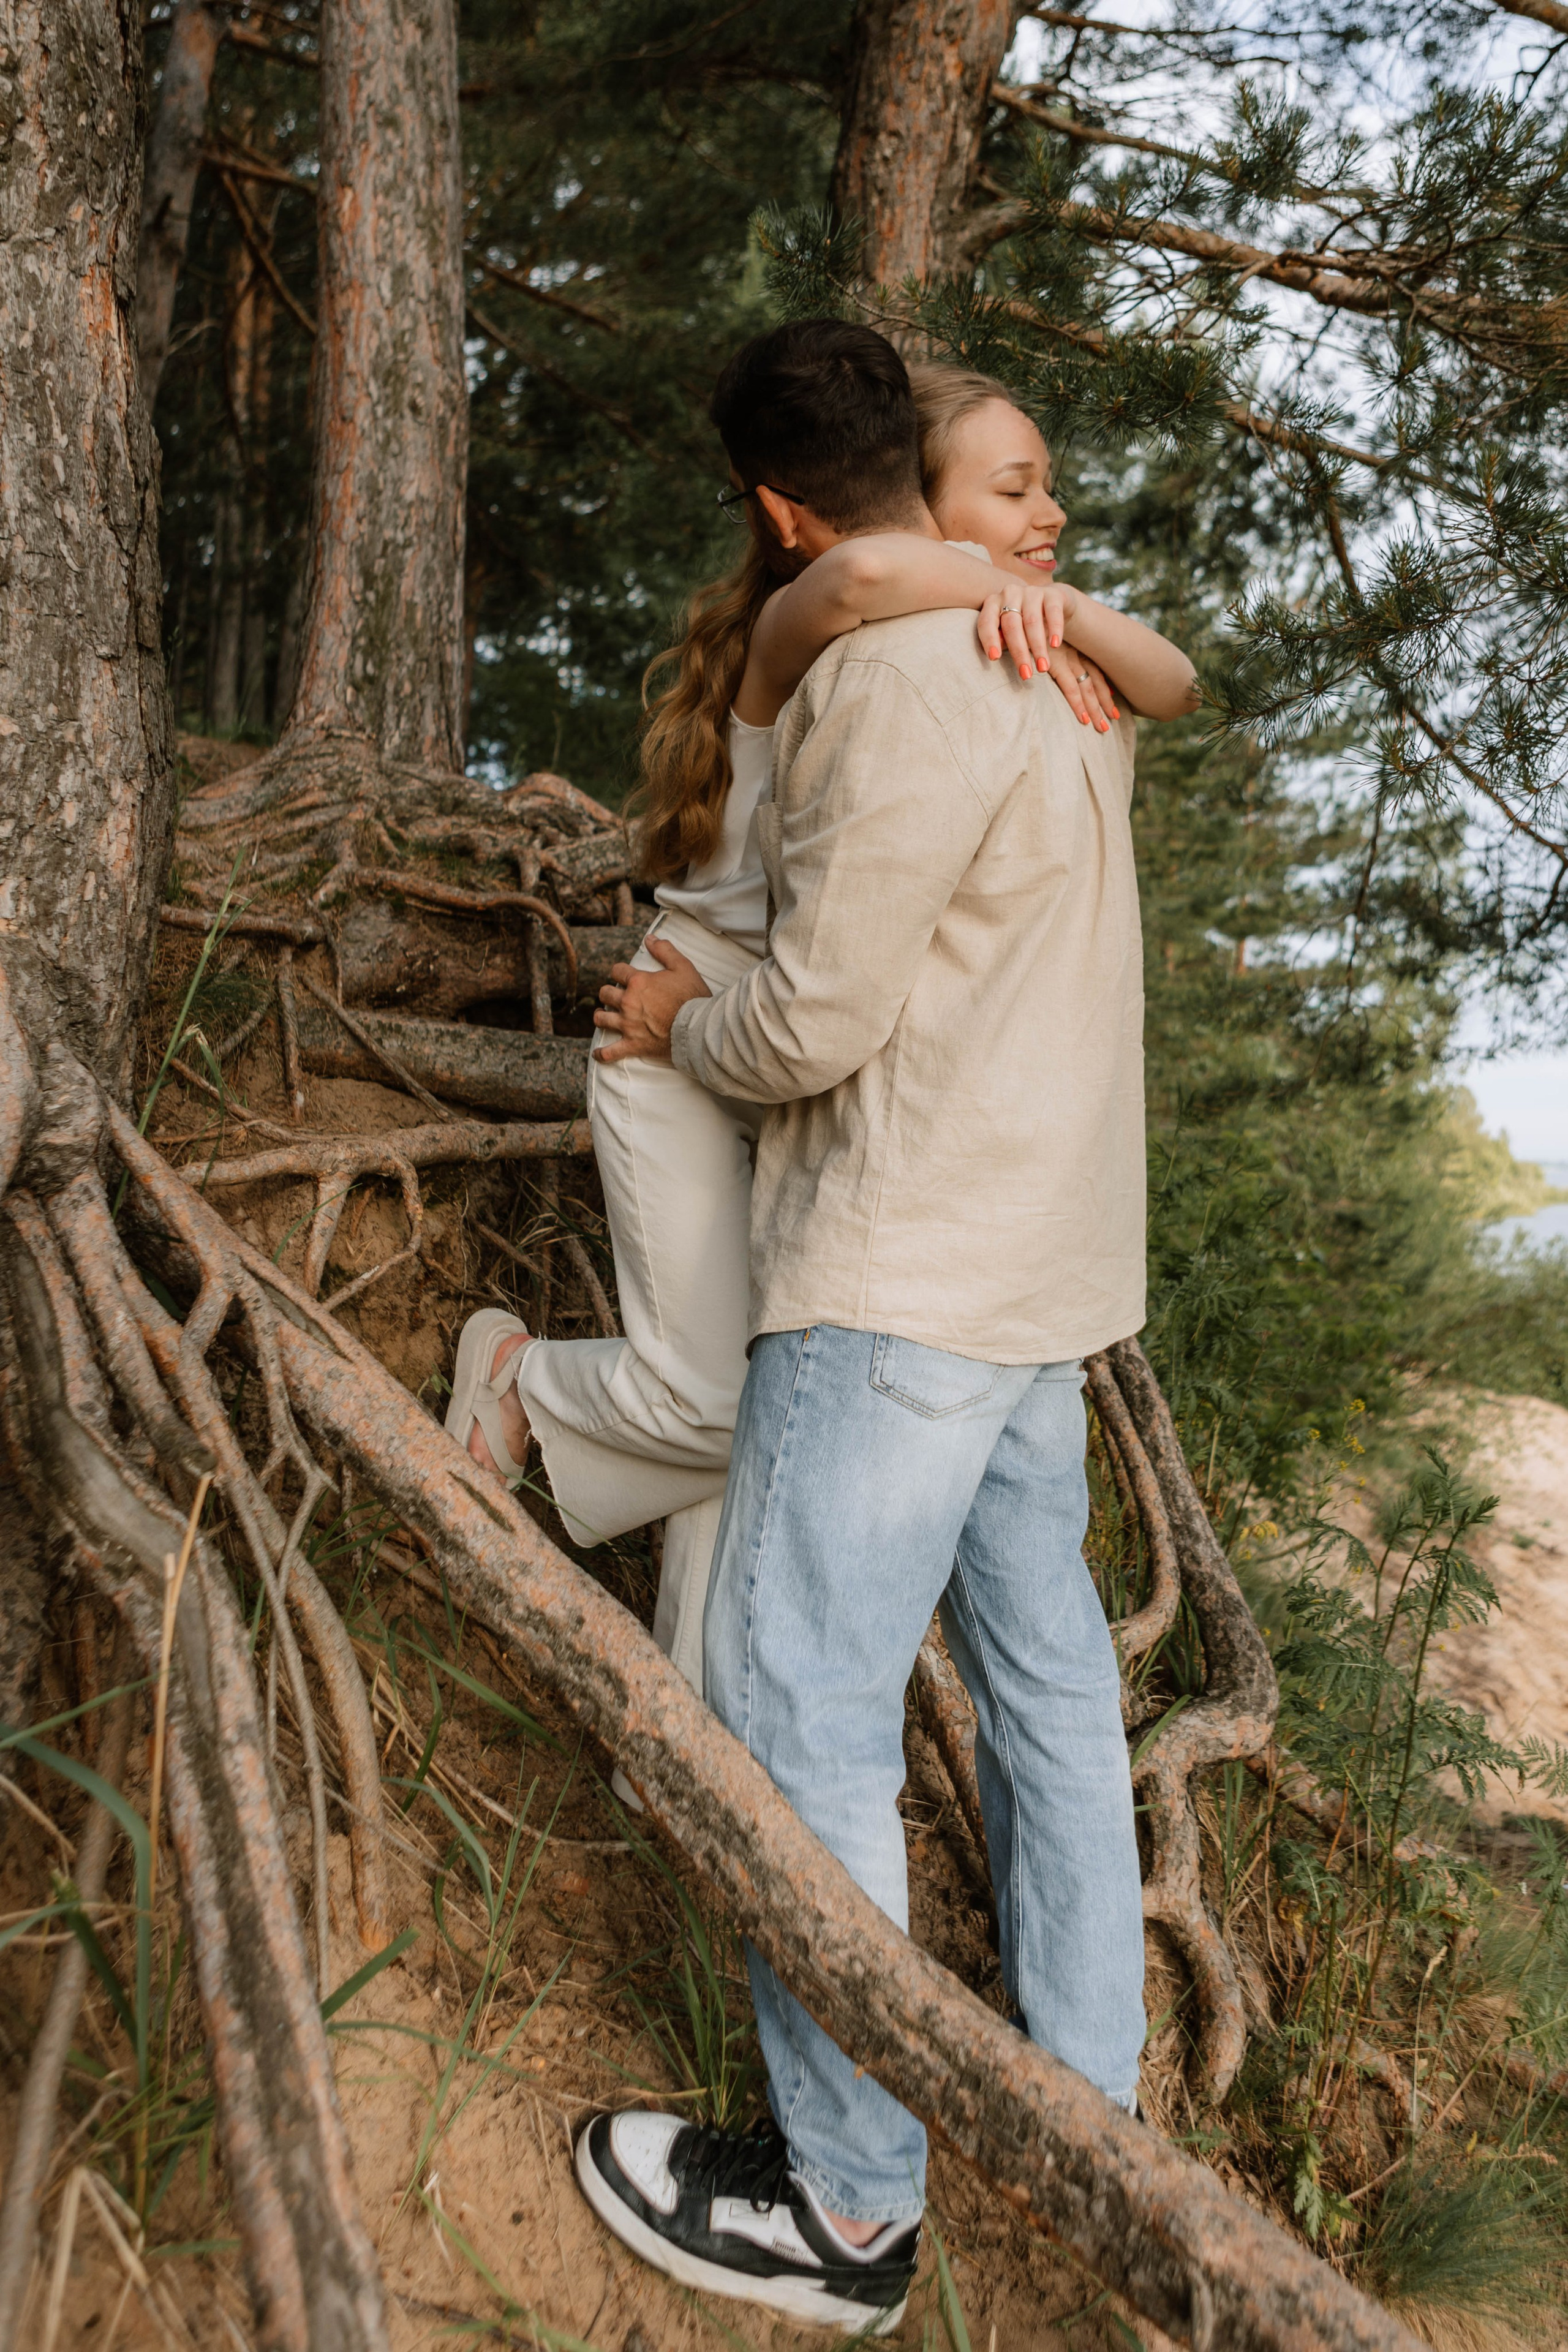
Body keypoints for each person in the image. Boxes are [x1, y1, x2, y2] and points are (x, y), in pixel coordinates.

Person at [569, 320, 1161, 2337]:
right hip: (1047, 1289)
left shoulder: (902, 680)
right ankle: (1098, 2134)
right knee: (1053, 1699)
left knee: (797, 1702)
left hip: (902, 1278)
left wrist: (675, 1027)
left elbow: (813, 1027)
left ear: (783, 511)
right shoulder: (1067, 669)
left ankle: (844, 2211)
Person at [443, 330, 1196, 1728]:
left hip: (782, 1053)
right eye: (1012, 492)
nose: (1047, 524)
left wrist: (1069, 616)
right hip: (672, 1032)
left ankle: (676, 1737)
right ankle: (521, 1384)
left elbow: (1168, 681)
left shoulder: (974, 653)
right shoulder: (808, 627)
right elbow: (855, 568)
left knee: (761, 1430)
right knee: (732, 1409)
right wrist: (1034, 601)